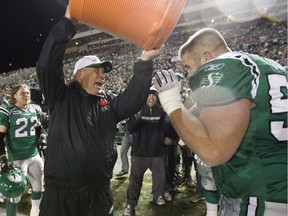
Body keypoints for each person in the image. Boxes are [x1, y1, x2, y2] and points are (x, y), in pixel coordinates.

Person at [36, 5, 162, 216]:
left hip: (99, 193)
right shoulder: (60, 96)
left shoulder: (109, 102)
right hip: (61, 195)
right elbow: (46, 66)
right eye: (96, 70)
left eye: (104, 72)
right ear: (79, 75)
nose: (102, 76)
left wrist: (145, 61)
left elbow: (134, 99)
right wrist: (66, 22)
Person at [152, 28, 287, 215]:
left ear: (207, 59)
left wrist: (172, 103)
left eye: (188, 67)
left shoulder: (223, 66)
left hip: (257, 198)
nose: (189, 75)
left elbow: (213, 151)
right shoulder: (272, 66)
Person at [123, 87, 178, 216]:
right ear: (144, 96)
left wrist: (171, 131)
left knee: (159, 179)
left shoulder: (161, 111)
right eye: (148, 95)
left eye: (153, 95)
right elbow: (130, 128)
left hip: (156, 153)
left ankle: (157, 196)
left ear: (157, 97)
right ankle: (130, 204)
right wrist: (138, 117)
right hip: (139, 153)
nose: (151, 98)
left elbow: (169, 131)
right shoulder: (137, 109)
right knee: (135, 181)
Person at [0, 84, 46, 216]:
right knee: (14, 194)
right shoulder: (8, 111)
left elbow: (39, 127)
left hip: (34, 156)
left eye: (27, 93)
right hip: (18, 159)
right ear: (14, 96)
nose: (26, 95)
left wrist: (42, 137)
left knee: (38, 190)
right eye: (23, 93)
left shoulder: (33, 109)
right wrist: (3, 158)